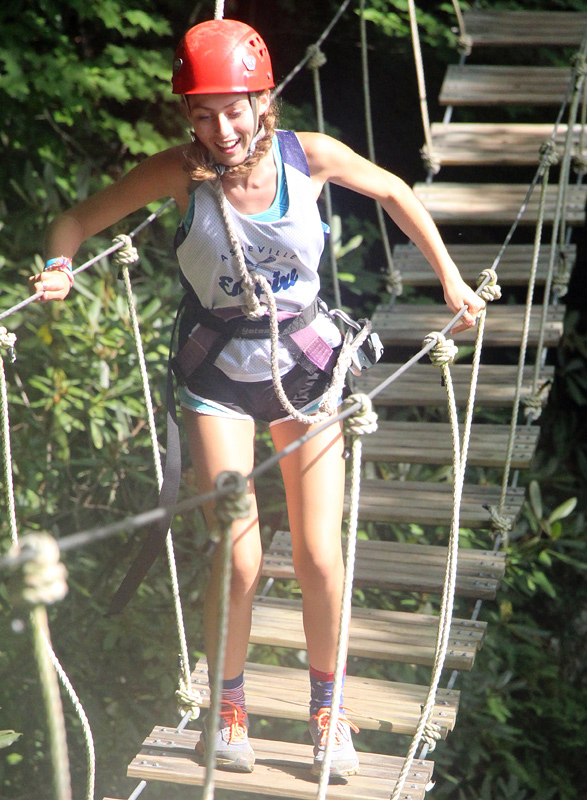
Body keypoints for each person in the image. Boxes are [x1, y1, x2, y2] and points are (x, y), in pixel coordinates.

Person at [31, 18, 485, 777]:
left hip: (308, 367)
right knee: (237, 557)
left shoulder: (309, 156)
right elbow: (77, 220)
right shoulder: (180, 172)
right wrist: (58, 264)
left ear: (262, 98)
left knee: (316, 554)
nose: (219, 127)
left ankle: (327, 707)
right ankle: (228, 703)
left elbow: (396, 190)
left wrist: (450, 277)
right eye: (201, 112)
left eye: (232, 108)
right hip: (218, 377)